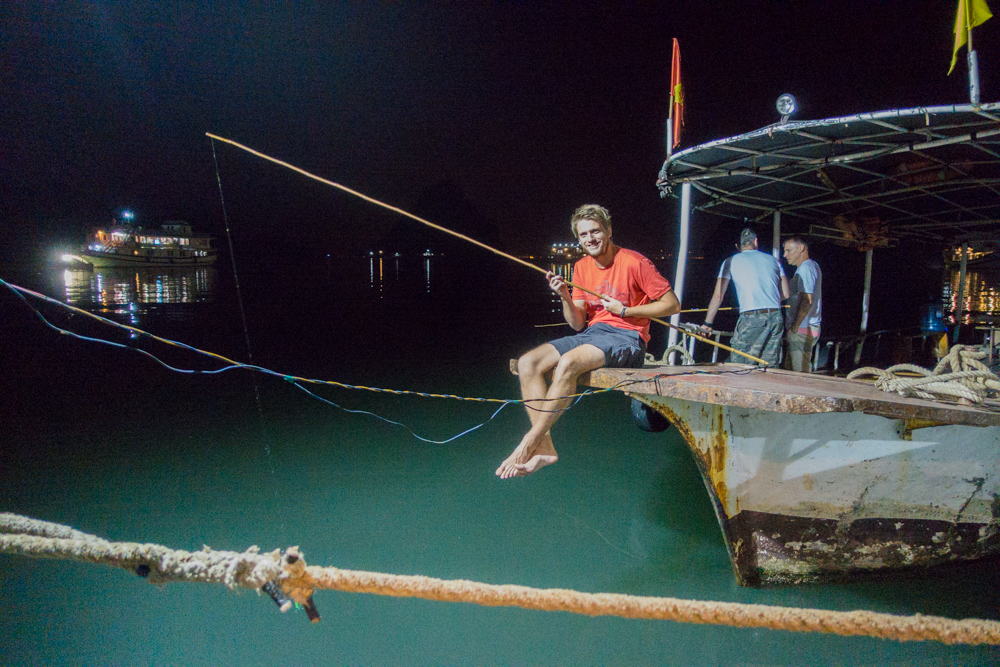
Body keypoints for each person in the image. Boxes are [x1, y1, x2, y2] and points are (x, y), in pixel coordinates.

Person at [496, 204, 681, 479]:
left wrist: (627, 311)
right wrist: (564, 296)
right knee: (528, 363)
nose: (590, 239)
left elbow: (672, 304)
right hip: (592, 335)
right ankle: (544, 445)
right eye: (583, 235)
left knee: (569, 362)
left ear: (608, 231)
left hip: (628, 337)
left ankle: (528, 442)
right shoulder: (581, 266)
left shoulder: (634, 262)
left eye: (595, 231)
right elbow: (578, 323)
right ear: (579, 238)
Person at [699, 228, 789, 366]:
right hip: (776, 316)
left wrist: (707, 324)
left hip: (752, 317)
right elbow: (786, 294)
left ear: (738, 246)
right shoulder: (774, 261)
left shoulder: (730, 261)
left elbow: (718, 296)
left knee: (739, 364)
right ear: (756, 242)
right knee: (769, 365)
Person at [782, 236, 822, 372]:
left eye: (788, 250)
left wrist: (795, 327)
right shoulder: (811, 266)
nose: (785, 255)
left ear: (801, 248)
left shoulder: (806, 268)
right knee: (792, 370)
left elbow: (807, 300)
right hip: (803, 328)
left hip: (803, 329)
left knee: (800, 373)